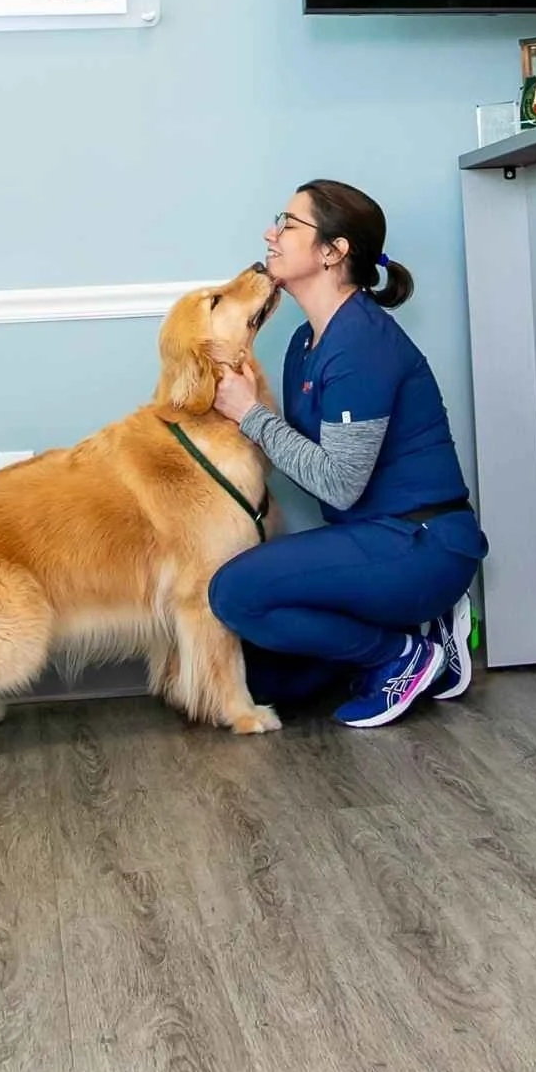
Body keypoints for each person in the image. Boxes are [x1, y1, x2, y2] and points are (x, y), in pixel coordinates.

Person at [208, 180, 486, 730]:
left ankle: (402, 655)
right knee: (264, 679)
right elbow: (308, 458)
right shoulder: (304, 342)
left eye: (289, 224)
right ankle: (416, 629)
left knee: (234, 594)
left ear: (334, 251)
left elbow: (338, 484)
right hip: (369, 541)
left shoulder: (361, 343)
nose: (270, 233)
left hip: (420, 543)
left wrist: (249, 415)